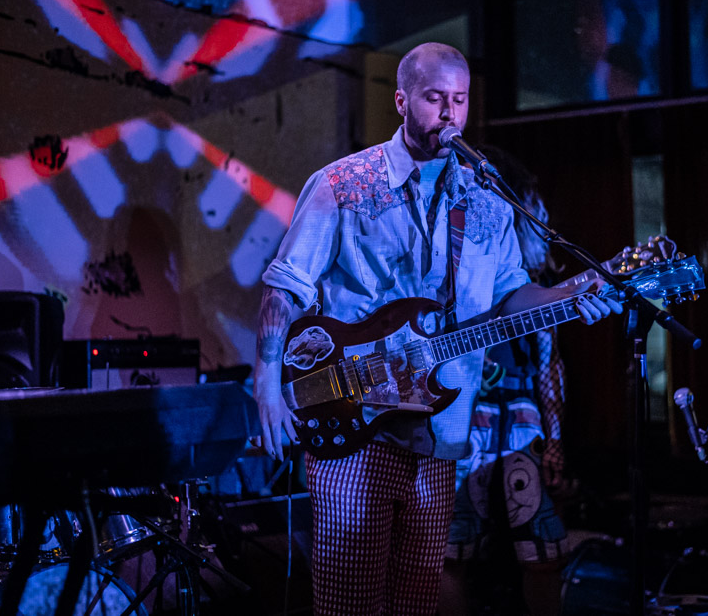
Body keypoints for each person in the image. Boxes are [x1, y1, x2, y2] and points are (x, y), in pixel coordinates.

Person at [253, 42, 621, 616]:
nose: (450, 114)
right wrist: (267, 383)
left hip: (441, 432)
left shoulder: (489, 198)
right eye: (434, 99)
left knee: (417, 602)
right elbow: (284, 288)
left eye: (460, 100)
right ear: (401, 101)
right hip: (353, 426)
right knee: (350, 604)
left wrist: (571, 295)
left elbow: (509, 297)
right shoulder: (342, 184)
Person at [440, 146, 572, 616]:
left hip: (519, 422)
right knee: (450, 551)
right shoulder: (457, 257)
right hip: (462, 417)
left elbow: (549, 361)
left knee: (541, 550)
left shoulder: (527, 278)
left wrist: (553, 439)